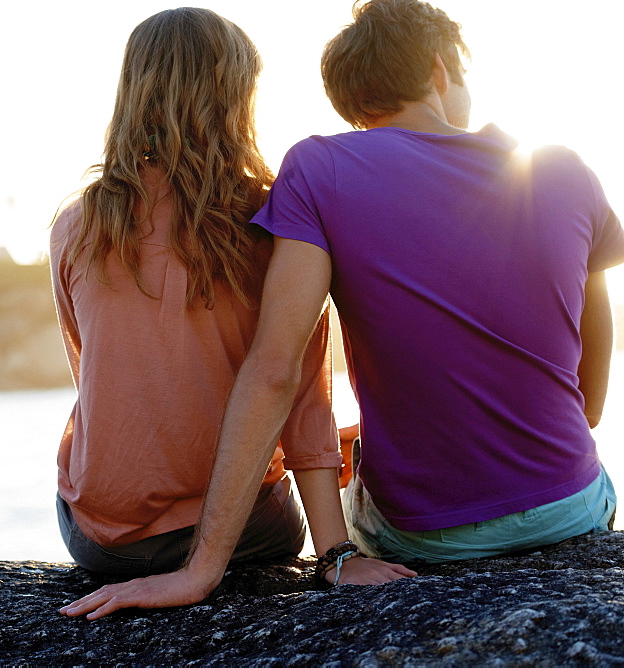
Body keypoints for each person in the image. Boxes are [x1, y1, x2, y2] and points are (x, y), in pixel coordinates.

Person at [61, 0, 623, 619]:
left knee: (356, 463)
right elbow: (590, 404)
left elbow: (122, 374)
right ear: (441, 69)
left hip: (111, 535)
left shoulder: (80, 224)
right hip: (564, 507)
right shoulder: (559, 165)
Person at [49, 7, 409, 582]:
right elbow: (298, 395)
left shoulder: (76, 225)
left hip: (99, 538)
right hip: (243, 531)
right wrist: (337, 554)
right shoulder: (274, 220)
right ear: (238, 96)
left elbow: (101, 377)